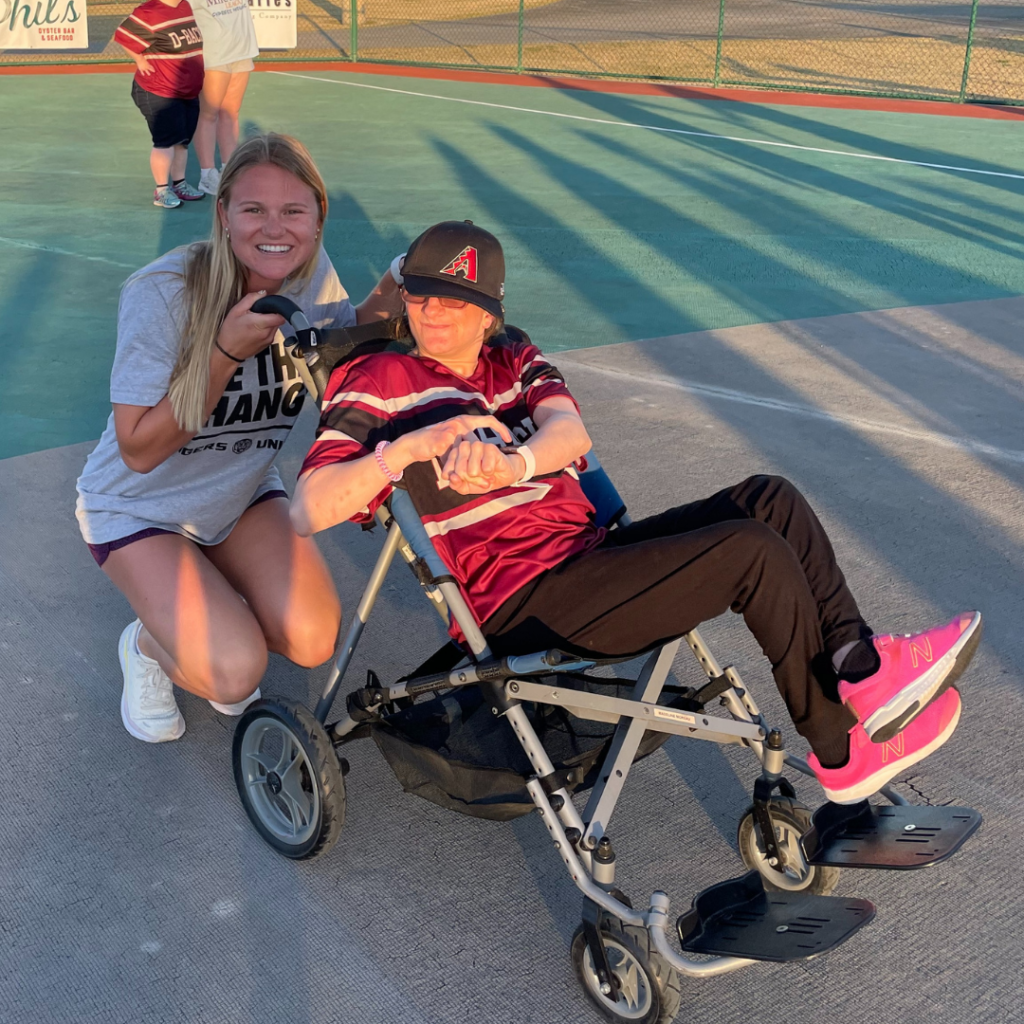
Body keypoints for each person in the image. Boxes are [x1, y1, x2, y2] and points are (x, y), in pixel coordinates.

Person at [290, 220, 982, 806]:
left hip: (589, 557)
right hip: (519, 599)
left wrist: (514, 465)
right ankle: (840, 754)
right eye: (420, 293)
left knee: (772, 499)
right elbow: (308, 509)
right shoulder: (376, 379)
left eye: (454, 299)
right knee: (748, 549)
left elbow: (570, 436)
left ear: (489, 309)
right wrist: (407, 448)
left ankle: (862, 669)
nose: (433, 312)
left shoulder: (513, 357)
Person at [76, 132, 404, 743]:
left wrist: (400, 278)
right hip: (139, 505)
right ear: (223, 214)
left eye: (293, 210)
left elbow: (341, 342)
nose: (273, 228)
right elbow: (139, 450)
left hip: (239, 492)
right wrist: (225, 353)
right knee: (233, 674)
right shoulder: (165, 291)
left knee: (312, 640)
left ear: (317, 217)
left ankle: (201, 602)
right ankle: (148, 643)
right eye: (253, 209)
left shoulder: (310, 275)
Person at [114, 0, 206, 209]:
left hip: (187, 90)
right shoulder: (149, 11)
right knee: (165, 142)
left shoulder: (184, 6)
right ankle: (162, 190)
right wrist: (139, 60)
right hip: (158, 90)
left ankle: (180, 184)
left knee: (182, 142)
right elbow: (123, 35)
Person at [189, 0, 259, 196]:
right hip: (214, 53)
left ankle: (230, 170)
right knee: (208, 114)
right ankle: (207, 175)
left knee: (231, 112)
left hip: (242, 48)